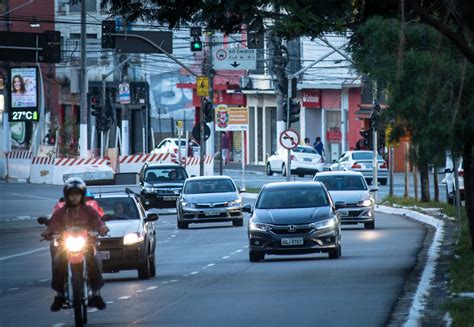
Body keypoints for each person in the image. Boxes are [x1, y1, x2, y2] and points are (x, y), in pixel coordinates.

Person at [41, 178, 109, 312]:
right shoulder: (61, 212)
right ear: (67, 196)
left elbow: (98, 221)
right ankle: (59, 295)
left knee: (95, 260)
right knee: (57, 261)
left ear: (82, 195)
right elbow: (53, 224)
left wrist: (102, 228)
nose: (74, 197)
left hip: (86, 244)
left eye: (77, 194)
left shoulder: (89, 210)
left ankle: (96, 294)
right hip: (66, 245)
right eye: (71, 194)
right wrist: (47, 232)